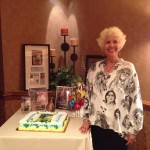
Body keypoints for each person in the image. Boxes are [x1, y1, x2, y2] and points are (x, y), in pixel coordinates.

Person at [79, 26, 143, 150]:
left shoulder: (128, 68)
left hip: (119, 130)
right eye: (108, 42)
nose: (111, 45)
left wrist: (134, 129)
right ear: (103, 45)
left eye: (115, 41)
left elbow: (135, 99)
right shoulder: (94, 69)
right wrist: (86, 120)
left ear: (120, 44)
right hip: (97, 128)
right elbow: (88, 97)